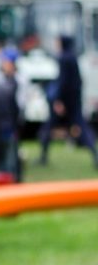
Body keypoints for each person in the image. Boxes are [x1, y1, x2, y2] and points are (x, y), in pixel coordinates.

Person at [39, 34, 98, 169]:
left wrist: (58, 100)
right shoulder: (73, 57)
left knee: (48, 127)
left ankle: (43, 156)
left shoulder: (64, 58)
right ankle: (95, 154)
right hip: (74, 101)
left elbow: (63, 82)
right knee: (82, 127)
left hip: (65, 101)